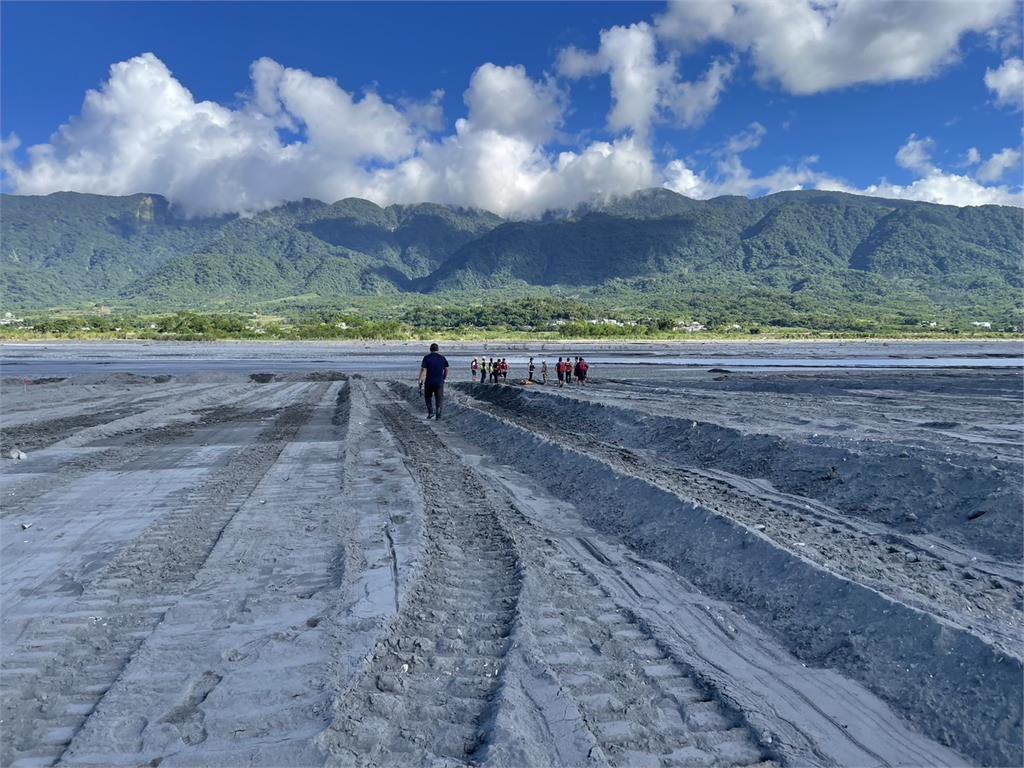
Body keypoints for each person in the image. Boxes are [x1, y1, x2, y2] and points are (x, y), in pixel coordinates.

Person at [418, 342, 449, 420]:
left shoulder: (427, 358)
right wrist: (444, 377)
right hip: (439, 382)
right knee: (439, 398)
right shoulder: (442, 358)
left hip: (429, 382)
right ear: (438, 349)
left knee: (428, 397)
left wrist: (420, 380)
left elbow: (424, 370)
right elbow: (447, 369)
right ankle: (438, 414)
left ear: (430, 349)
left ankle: (431, 412)